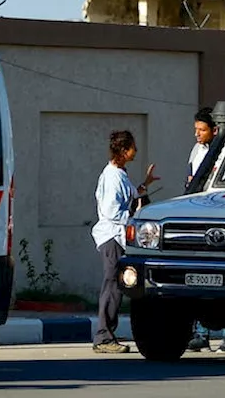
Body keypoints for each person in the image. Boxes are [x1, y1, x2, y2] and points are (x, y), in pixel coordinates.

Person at [91, 129, 157, 354]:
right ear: (123, 150)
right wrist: (133, 218)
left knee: (116, 284)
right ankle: (103, 336)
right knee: (112, 285)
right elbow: (111, 211)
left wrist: (144, 186)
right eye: (132, 147)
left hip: (118, 236)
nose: (135, 151)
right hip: (112, 236)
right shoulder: (112, 176)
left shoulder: (120, 174)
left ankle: (106, 334)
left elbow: (128, 197)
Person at [184, 108, 225, 354]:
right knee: (199, 277)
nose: (197, 134)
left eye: (202, 130)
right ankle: (201, 334)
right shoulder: (198, 150)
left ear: (216, 129)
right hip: (201, 218)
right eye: (196, 129)